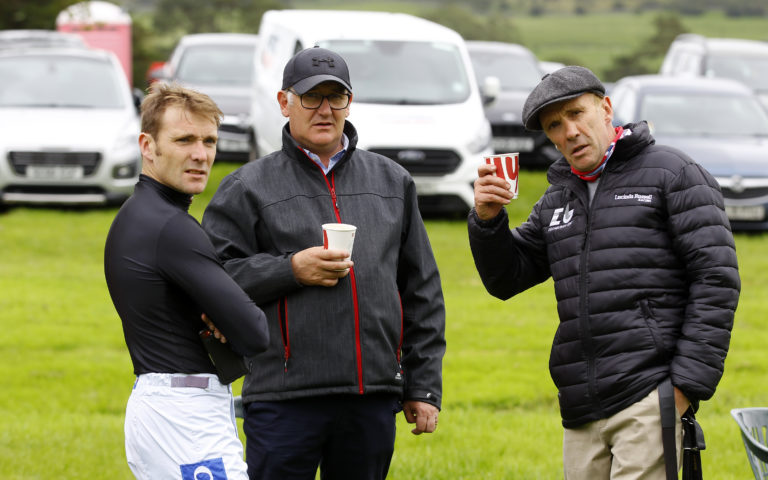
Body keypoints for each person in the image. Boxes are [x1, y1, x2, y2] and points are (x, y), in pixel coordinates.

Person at [468, 66, 740, 479]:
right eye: (554, 125)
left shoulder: (673, 173)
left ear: (606, 108)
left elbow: (716, 279)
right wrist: (488, 221)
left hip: (650, 393)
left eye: (577, 114)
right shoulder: (557, 196)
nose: (569, 132)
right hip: (581, 405)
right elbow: (507, 279)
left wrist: (683, 387)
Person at [202, 46, 446, 480]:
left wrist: (422, 384)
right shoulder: (246, 187)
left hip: (371, 396)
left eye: (337, 97)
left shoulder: (392, 182)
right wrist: (290, 269)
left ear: (350, 102)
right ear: (284, 102)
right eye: (311, 97)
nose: (325, 109)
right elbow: (214, 279)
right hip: (283, 399)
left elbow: (421, 291)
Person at [104, 83, 270, 480]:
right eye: (184, 140)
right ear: (148, 145)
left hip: (167, 406)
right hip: (183, 416)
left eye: (209, 140)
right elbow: (254, 332)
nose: (201, 154)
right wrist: (224, 314)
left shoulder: (139, 213)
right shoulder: (171, 228)